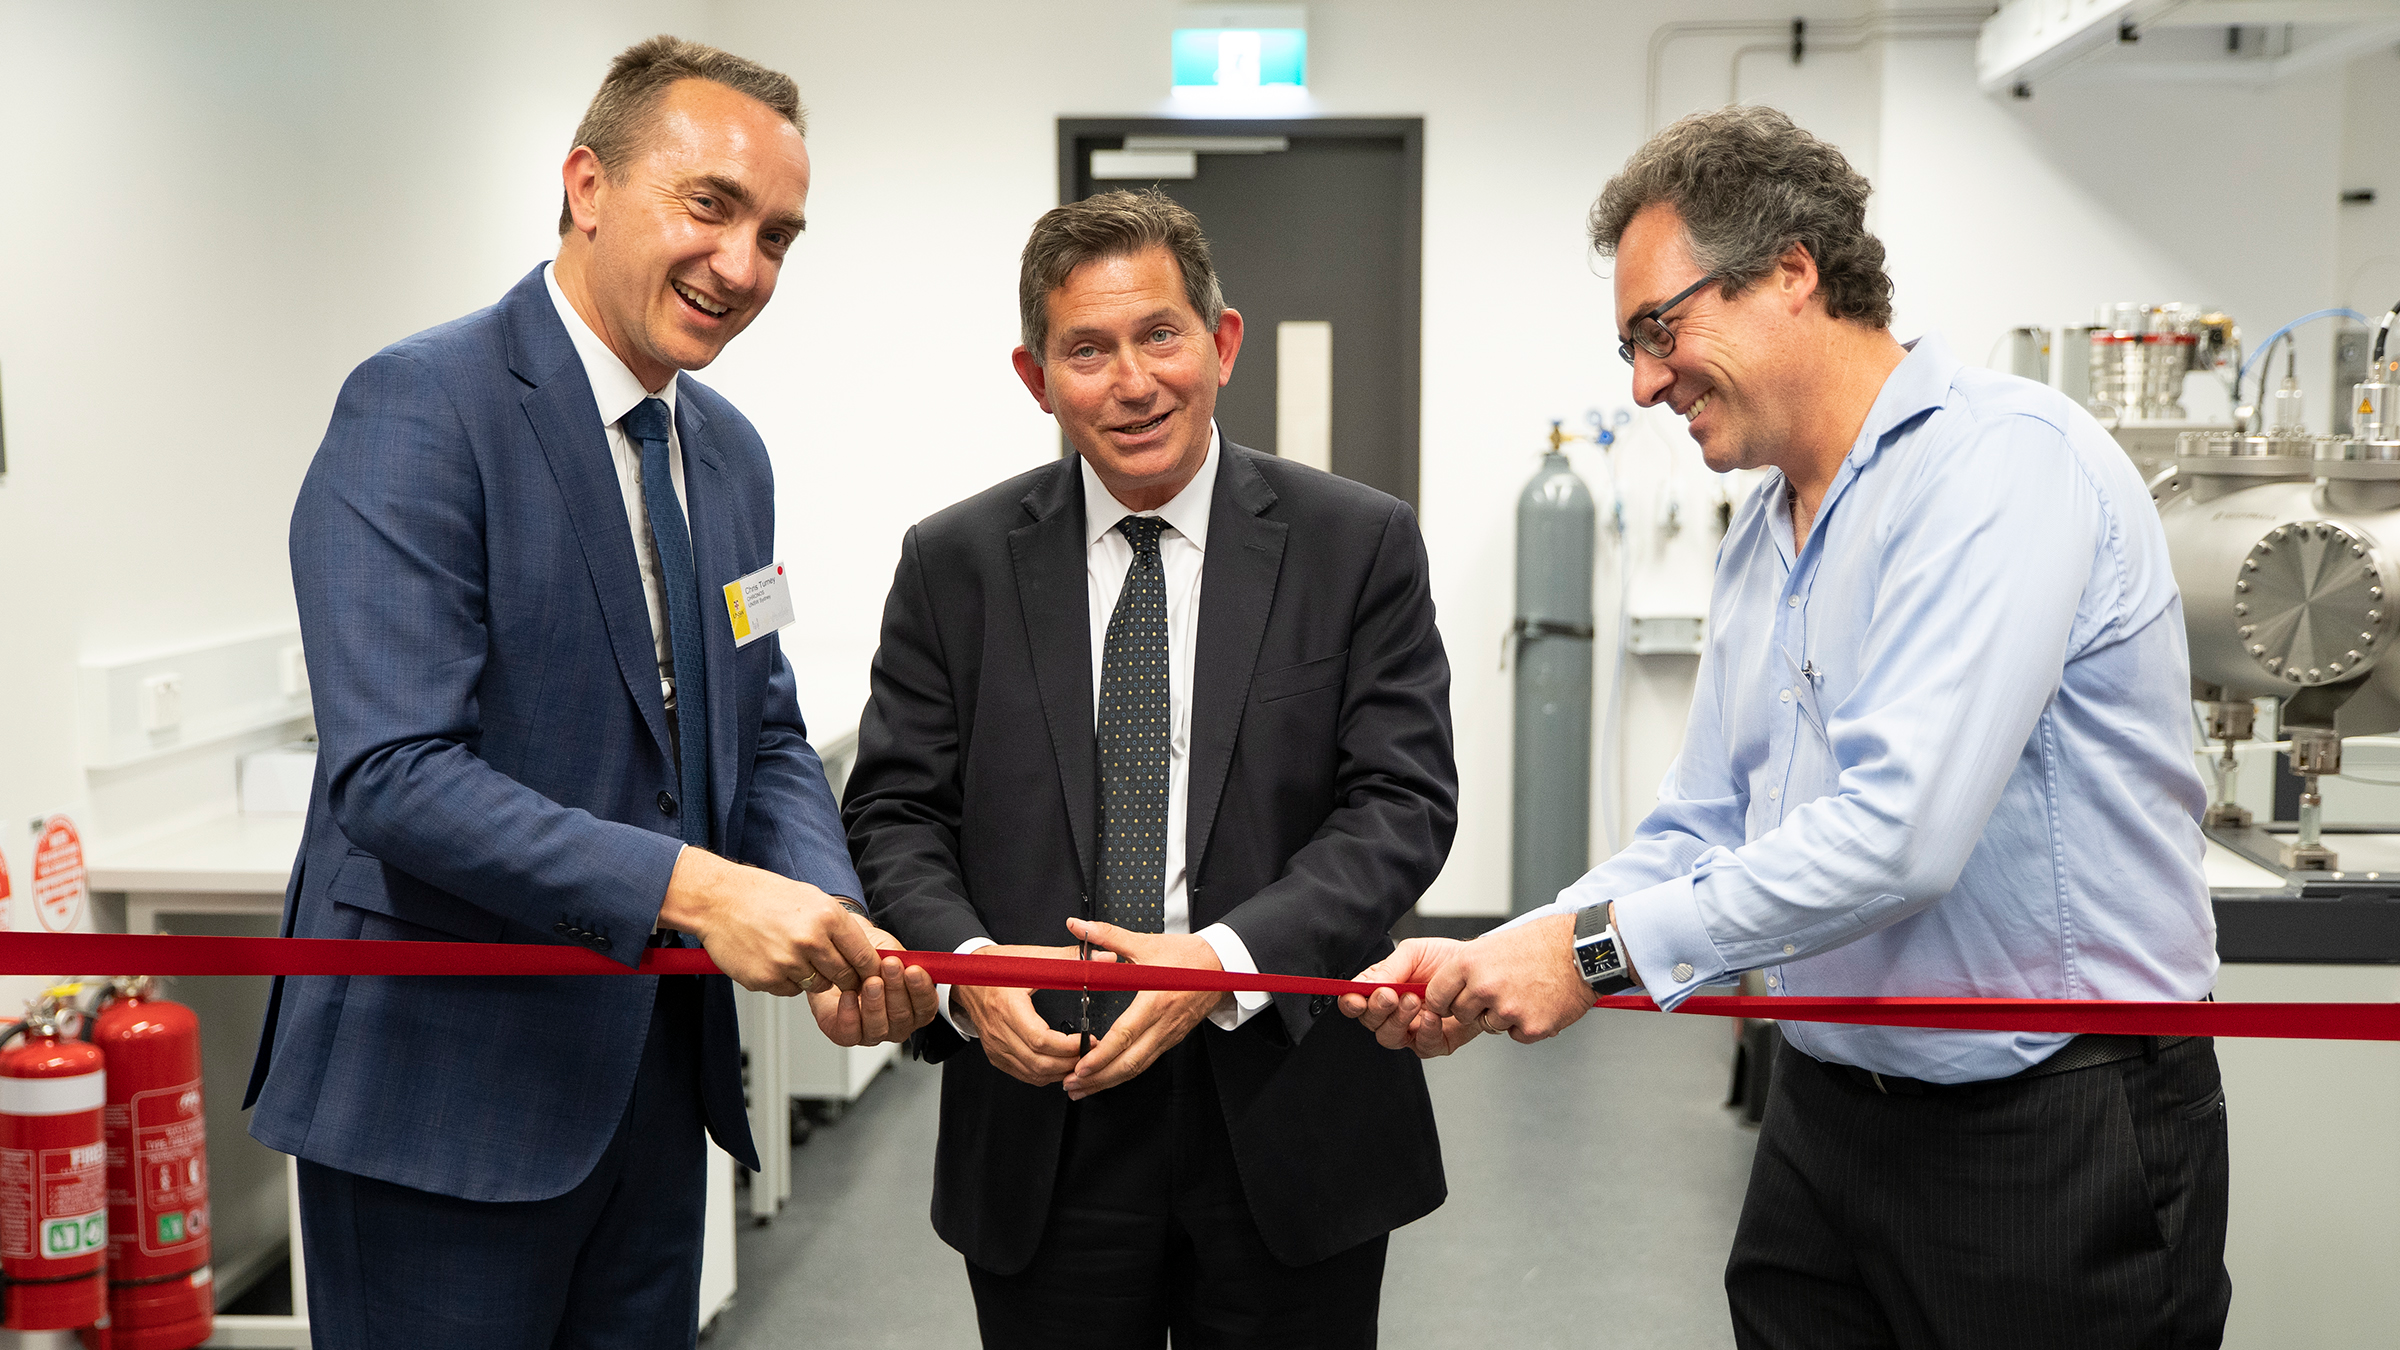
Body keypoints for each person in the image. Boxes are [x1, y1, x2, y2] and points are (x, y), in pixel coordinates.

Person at [1345, 106, 2228, 1349]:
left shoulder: (2000, 468)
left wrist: (1594, 958)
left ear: (1793, 275)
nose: (1647, 382)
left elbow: (1899, 838)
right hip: (1829, 1115)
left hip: (2049, 1126)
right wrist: (1519, 946)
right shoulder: (1771, 529)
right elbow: (1706, 816)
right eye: (1630, 350)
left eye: (1662, 329)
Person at [244, 36, 934, 1347]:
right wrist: (705, 888)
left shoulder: (727, 456)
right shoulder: (420, 408)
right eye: (711, 206)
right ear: (587, 186)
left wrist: (825, 904)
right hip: (442, 1105)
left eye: (780, 236)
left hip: (651, 1089)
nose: (745, 267)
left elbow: (763, 719)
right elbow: (394, 775)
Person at [843, 188, 1453, 1348]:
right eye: (1088, 350)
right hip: (1042, 1116)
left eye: (1160, 335)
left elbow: (1400, 805)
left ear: (1221, 343)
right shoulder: (953, 563)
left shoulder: (1356, 542)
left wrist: (1220, 963)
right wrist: (967, 968)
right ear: (1036, 378)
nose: (1133, 383)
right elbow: (895, 812)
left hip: (1282, 1110)